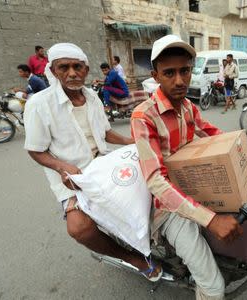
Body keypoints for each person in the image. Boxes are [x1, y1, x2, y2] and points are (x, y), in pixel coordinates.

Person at [131, 34, 247, 300]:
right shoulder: (144, 116)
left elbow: (215, 136)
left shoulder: (187, 107)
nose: (179, 80)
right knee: (213, 288)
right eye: (169, 73)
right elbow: (155, 181)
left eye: (185, 71)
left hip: (195, 185)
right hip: (169, 207)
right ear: (156, 75)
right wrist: (211, 220)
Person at [23, 43, 161, 281]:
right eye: (64, 67)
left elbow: (105, 133)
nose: (72, 73)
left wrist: (133, 142)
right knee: (80, 229)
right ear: (54, 71)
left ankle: (157, 240)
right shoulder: (39, 104)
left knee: (154, 183)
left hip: (104, 163)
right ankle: (132, 258)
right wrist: (62, 166)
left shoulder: (92, 97)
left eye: (77, 67)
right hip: (72, 177)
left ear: (86, 70)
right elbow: (36, 150)